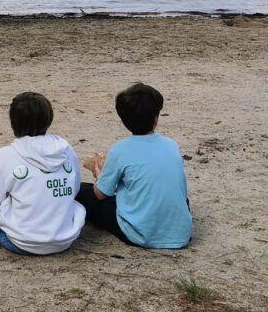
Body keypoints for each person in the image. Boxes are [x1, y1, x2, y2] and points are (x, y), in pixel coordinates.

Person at [0, 92, 85, 254]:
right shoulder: (66, 150)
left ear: (12, 122)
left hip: (23, 242)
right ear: (49, 118)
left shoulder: (5, 155)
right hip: (65, 239)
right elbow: (74, 190)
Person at [75, 83, 192, 249]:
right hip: (181, 235)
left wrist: (97, 171)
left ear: (123, 120)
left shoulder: (120, 149)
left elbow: (100, 194)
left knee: (83, 192)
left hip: (139, 234)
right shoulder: (171, 145)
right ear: (155, 119)